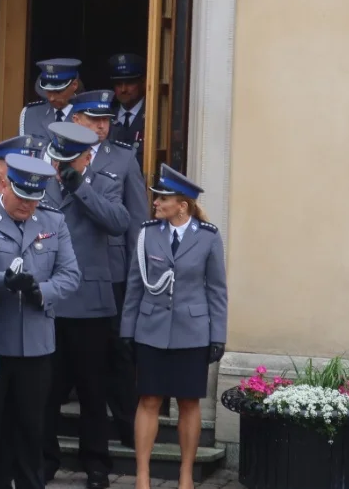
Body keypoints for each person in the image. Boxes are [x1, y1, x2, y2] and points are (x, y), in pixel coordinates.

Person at [0, 154, 80, 489]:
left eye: (35, 200)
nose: (28, 206)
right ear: (6, 186)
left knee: (31, 432)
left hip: (36, 345)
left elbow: (71, 275)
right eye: (22, 198)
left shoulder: (52, 222)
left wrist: (39, 291)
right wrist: (2, 281)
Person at [120, 164, 228, 489]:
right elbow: (135, 285)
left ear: (182, 205)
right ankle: (142, 476)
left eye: (162, 199)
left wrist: (218, 335)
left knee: (189, 402)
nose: (155, 203)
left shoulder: (208, 237)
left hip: (192, 332)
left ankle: (185, 476)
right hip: (151, 329)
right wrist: (127, 329)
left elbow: (217, 290)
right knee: (149, 400)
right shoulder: (147, 233)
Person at [40, 121, 130, 488]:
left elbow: (119, 222)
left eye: (72, 159)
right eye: (61, 157)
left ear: (87, 157)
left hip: (91, 301)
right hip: (49, 299)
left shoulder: (103, 181)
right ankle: (45, 459)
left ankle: (96, 462)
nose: (64, 165)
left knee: (93, 389)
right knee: (46, 390)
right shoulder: (41, 178)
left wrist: (82, 188)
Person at [72, 89, 150, 446]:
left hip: (112, 267)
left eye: (105, 121)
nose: (102, 127)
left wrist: (139, 272)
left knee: (118, 351)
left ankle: (126, 425)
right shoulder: (56, 155)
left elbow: (135, 219)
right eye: (93, 120)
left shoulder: (123, 159)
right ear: (76, 121)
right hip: (67, 268)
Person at [18, 58, 83, 140]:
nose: (51, 98)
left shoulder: (88, 116)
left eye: (58, 91)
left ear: (74, 85)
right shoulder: (30, 114)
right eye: (48, 91)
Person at [107, 53, 146, 165]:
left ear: (142, 82)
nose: (123, 89)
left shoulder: (154, 116)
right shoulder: (106, 117)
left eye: (129, 83)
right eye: (119, 84)